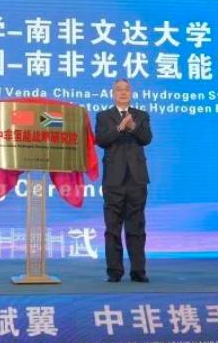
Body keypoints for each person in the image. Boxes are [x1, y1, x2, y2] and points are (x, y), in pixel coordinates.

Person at [95, 79, 152, 283]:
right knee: (112, 228)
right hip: (113, 180)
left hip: (137, 179)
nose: (123, 92)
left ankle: (138, 271)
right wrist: (119, 128)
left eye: (126, 89)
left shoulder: (141, 115)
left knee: (136, 227)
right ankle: (114, 272)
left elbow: (146, 138)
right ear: (113, 93)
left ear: (131, 93)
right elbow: (101, 140)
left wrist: (133, 126)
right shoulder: (103, 116)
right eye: (119, 89)